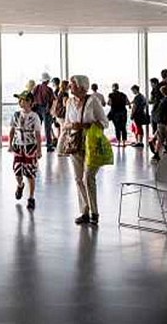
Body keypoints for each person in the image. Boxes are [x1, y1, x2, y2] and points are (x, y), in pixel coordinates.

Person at [65, 75, 109, 225]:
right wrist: (73, 126)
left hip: (91, 143)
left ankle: (94, 212)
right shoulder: (69, 102)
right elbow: (66, 124)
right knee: (78, 179)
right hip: (75, 142)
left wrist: (86, 126)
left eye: (72, 84)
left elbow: (105, 123)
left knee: (88, 177)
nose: (70, 87)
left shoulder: (93, 101)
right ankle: (84, 211)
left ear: (82, 87)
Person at [9, 91, 42, 210]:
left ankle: (31, 197)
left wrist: (39, 149)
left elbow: (38, 134)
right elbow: (12, 130)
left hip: (30, 146)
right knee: (17, 170)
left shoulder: (35, 116)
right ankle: (20, 185)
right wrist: (10, 143)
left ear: (30, 102)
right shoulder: (16, 115)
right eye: (19, 100)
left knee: (30, 172)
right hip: (18, 146)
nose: (20, 102)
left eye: (23, 100)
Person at [32, 72, 56, 151]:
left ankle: (34, 145)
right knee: (47, 128)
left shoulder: (37, 87)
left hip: (37, 109)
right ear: (48, 81)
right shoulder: (49, 89)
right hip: (46, 109)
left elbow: (32, 97)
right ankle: (49, 145)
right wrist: (49, 109)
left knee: (37, 128)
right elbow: (52, 100)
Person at [151, 84, 167, 161]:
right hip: (163, 122)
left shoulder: (163, 100)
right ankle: (156, 154)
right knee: (161, 139)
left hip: (160, 122)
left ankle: (154, 141)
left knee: (161, 137)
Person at [51, 79, 70, 144]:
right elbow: (65, 104)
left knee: (60, 130)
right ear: (66, 86)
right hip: (62, 114)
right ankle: (61, 147)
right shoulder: (65, 93)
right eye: (68, 85)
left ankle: (59, 145)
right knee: (63, 131)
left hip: (57, 113)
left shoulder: (59, 92)